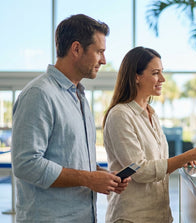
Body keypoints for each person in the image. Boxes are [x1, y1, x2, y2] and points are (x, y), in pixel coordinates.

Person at [11, 14, 130, 222]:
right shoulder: (39, 94)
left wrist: (103, 176)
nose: (103, 60)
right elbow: (26, 163)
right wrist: (89, 179)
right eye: (99, 52)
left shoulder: (80, 97)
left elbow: (73, 159)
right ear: (76, 49)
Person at [103, 46, 196, 223]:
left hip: (159, 215)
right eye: (156, 73)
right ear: (136, 76)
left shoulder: (152, 113)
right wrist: (187, 155)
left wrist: (181, 161)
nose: (163, 79)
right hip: (132, 217)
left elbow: (156, 164)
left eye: (162, 72)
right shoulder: (120, 115)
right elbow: (140, 170)